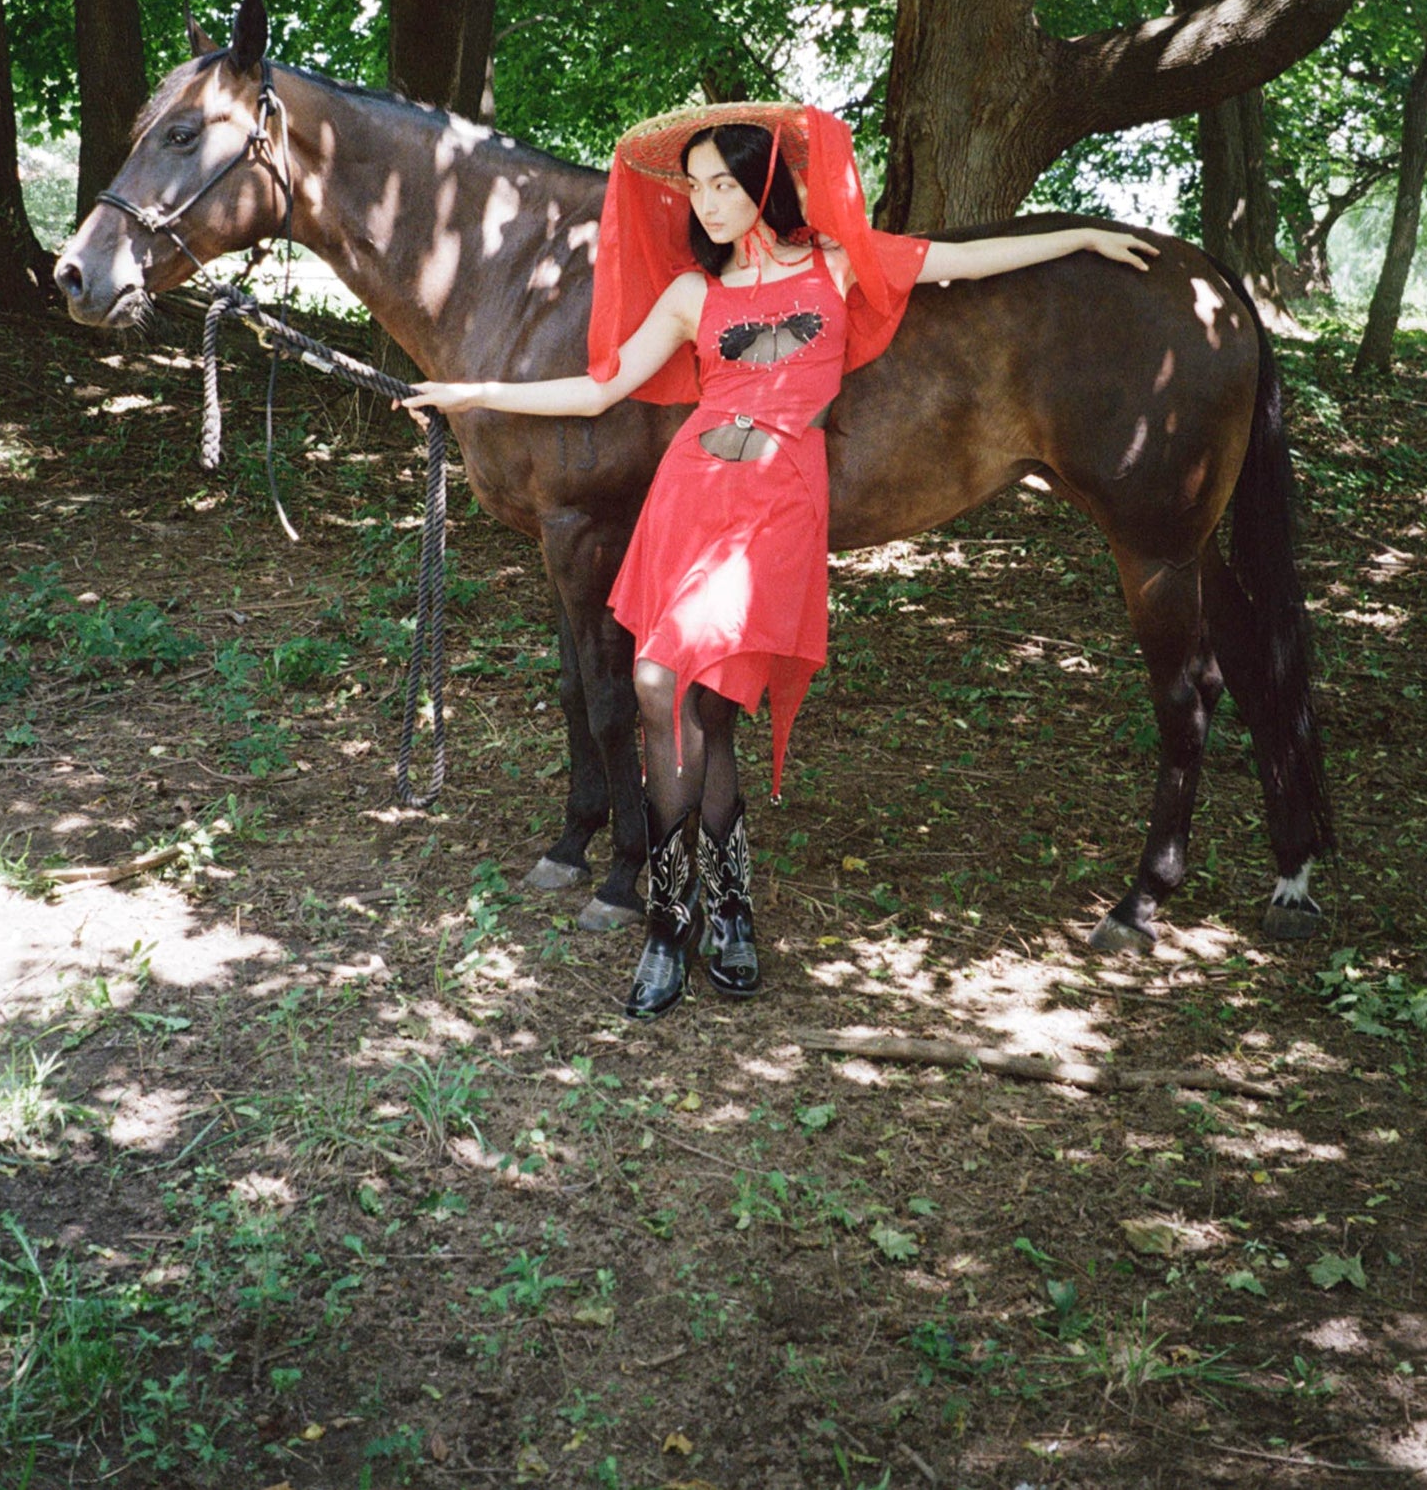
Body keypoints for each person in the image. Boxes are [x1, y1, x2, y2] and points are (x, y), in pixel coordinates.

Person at [402, 102, 1156, 1019]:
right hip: (690, 493)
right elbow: (603, 384)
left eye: (724, 184)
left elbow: (960, 262)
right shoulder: (691, 296)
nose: (708, 204)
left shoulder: (837, 267)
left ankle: (713, 912)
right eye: (698, 188)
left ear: (763, 185)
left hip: (774, 506)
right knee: (662, 688)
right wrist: (473, 390)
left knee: (702, 703)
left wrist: (1080, 235)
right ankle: (690, 918)